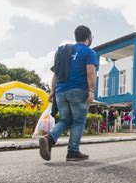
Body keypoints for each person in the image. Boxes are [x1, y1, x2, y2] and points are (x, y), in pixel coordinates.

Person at [39, 25, 98, 162]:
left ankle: (49, 139)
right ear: (89, 37)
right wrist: (91, 90)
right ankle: (73, 151)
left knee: (65, 120)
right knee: (78, 121)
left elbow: (56, 74)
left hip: (60, 91)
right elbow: (90, 72)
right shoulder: (89, 52)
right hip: (78, 90)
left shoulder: (64, 51)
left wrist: (52, 91)